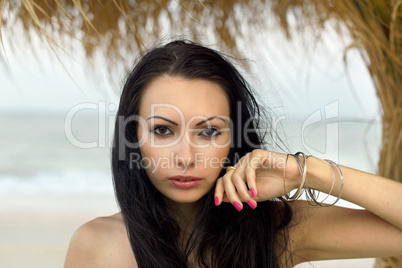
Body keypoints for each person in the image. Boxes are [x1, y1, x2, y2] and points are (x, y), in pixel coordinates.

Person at [64, 40, 402, 268]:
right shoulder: (96, 246)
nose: (186, 156)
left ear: (234, 139)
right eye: (163, 130)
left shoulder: (279, 230)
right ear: (133, 136)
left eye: (209, 131)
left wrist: (308, 171)